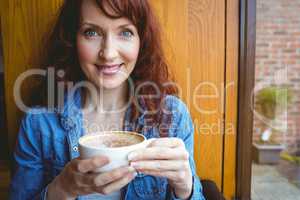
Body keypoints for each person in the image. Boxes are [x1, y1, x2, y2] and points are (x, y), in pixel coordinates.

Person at [9, 0, 205, 199]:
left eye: (125, 32)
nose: (109, 53)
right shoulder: (39, 123)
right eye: (91, 32)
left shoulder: (172, 117)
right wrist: (61, 189)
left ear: (141, 41)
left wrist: (185, 188)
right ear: (72, 38)